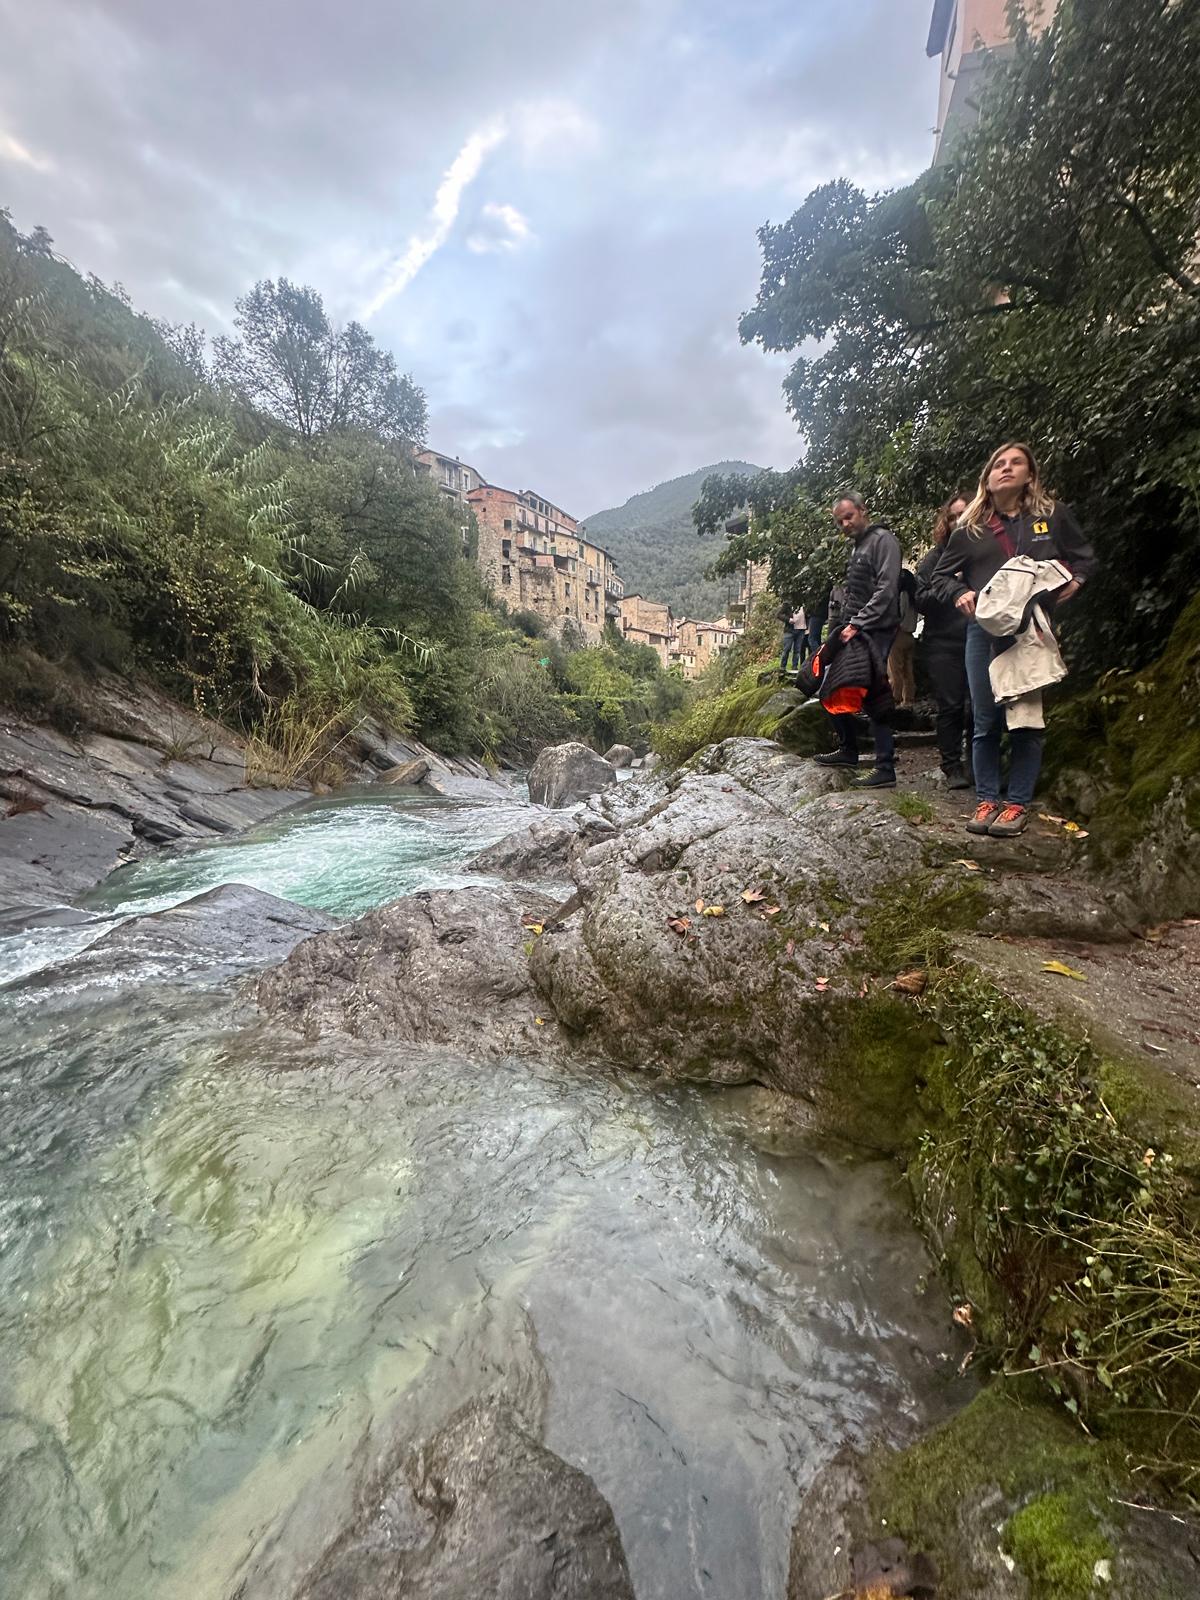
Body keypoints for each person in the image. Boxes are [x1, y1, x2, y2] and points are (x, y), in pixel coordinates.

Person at [929, 443, 1096, 837]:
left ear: (1029, 474)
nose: (1006, 469)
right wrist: (959, 594)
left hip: (1031, 632)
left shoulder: (1051, 517)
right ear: (987, 479)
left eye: (1015, 463)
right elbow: (938, 575)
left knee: (1026, 720)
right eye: (998, 465)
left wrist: (1078, 581)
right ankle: (987, 799)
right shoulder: (970, 530)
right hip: (982, 632)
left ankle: (1017, 803)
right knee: (985, 720)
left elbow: (1085, 556)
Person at [813, 492, 901, 788]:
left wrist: (858, 624)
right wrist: (839, 629)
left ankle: (885, 766)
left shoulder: (883, 540)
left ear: (863, 510)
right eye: (840, 521)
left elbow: (887, 589)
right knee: (829, 686)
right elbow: (853, 594)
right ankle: (849, 749)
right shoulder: (857, 547)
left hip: (876, 629)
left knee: (875, 695)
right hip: (852, 628)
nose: (845, 524)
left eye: (849, 517)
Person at [916, 493, 971, 790]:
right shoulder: (935, 559)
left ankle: (977, 762)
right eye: (953, 516)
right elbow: (921, 599)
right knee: (950, 706)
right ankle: (952, 766)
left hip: (979, 638)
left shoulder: (984, 552)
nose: (958, 520)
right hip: (942, 643)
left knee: (979, 707)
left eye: (964, 513)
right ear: (945, 522)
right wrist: (951, 586)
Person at [887, 566, 919, 709]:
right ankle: (909, 700)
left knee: (895, 671)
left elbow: (898, 615)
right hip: (910, 635)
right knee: (908, 671)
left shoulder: (902, 595)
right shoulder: (914, 597)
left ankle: (895, 700)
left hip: (898, 635)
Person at [777, 601, 807, 674]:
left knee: (797, 650)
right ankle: (782, 667)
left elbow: (808, 615)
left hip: (801, 630)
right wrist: (788, 619)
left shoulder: (805, 603)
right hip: (790, 630)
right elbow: (779, 615)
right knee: (787, 649)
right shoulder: (788, 603)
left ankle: (795, 667)